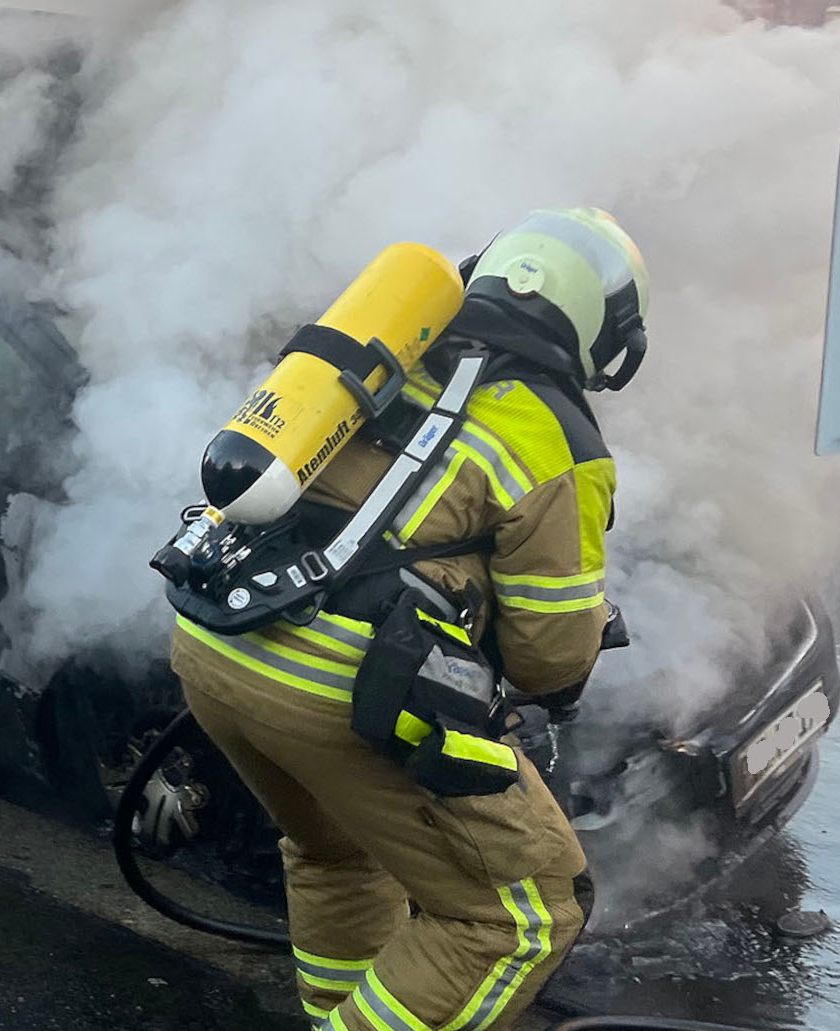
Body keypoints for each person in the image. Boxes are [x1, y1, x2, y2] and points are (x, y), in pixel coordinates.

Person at [172, 208, 648, 1030]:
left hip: (219, 645)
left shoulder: (392, 353)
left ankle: (336, 1015)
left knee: (339, 853)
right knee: (524, 916)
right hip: (339, 686)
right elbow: (547, 660)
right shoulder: (557, 437)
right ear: (598, 329)